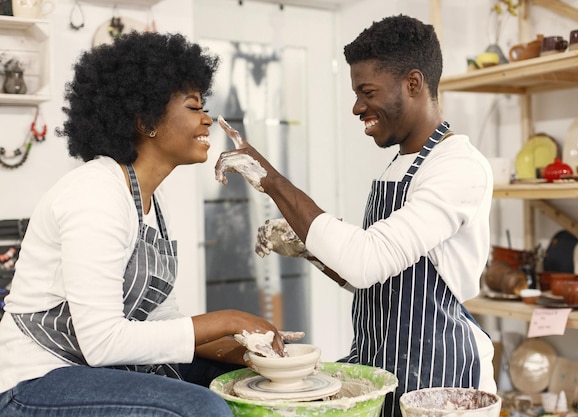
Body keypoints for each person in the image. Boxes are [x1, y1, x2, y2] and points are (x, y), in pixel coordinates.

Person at [215, 14, 497, 417]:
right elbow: (381, 282)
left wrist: (269, 179)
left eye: (367, 92)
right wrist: (310, 250)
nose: (356, 107)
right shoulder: (399, 165)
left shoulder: (456, 167)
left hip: (439, 376)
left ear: (413, 84)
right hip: (380, 365)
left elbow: (366, 262)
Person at [0, 31, 285, 417]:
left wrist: (244, 350)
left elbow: (159, 321)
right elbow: (102, 342)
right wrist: (228, 318)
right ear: (145, 120)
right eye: (193, 107)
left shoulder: (150, 200)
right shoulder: (96, 193)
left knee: (241, 380)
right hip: (34, 378)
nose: (207, 120)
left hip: (93, 369)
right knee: (202, 408)